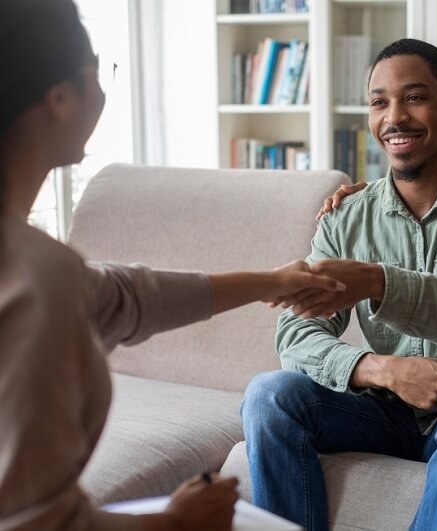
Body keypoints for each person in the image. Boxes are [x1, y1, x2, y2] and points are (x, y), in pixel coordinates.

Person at [0, 1, 347, 529]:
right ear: (61, 98)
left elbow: (127, 297)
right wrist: (172, 522)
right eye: (99, 70)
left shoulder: (38, 268)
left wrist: (269, 282)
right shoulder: (38, 274)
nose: (105, 89)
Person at [241, 38, 437, 530]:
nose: (394, 117)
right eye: (379, 102)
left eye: (415, 97)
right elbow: (295, 336)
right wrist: (380, 370)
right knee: (269, 394)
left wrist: (378, 281)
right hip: (380, 412)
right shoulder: (345, 218)